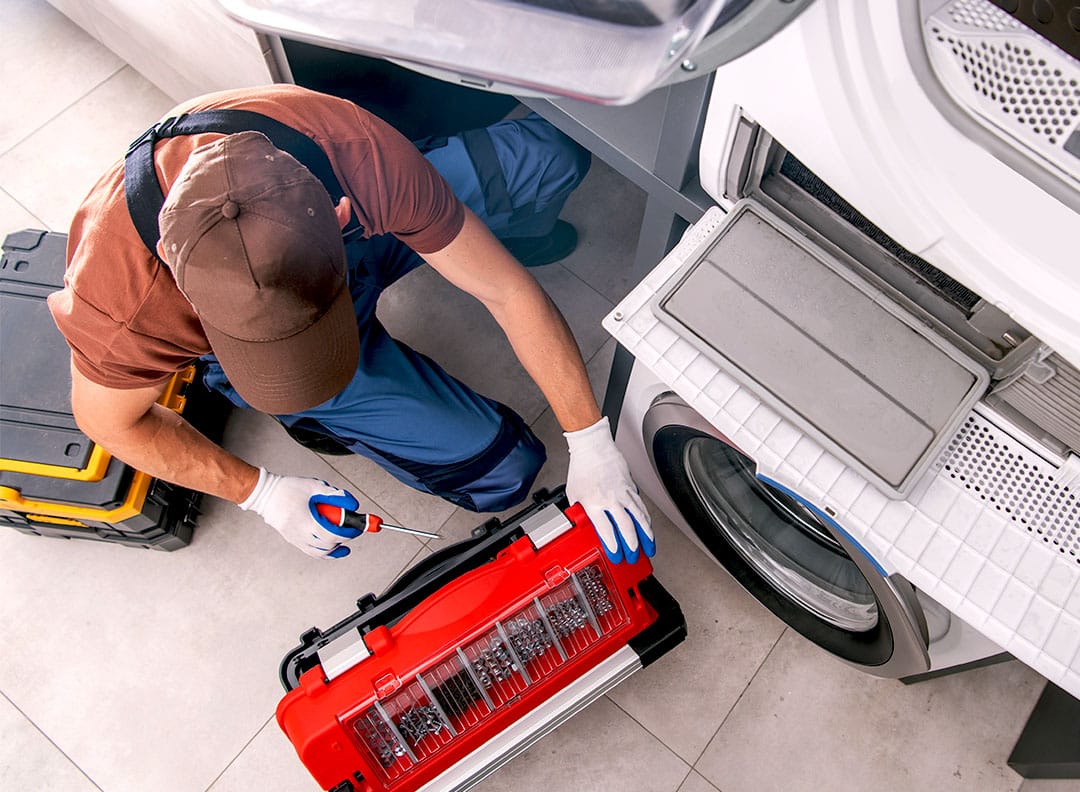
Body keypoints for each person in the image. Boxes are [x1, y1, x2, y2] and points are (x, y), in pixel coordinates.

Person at [48, 83, 653, 563]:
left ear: (340, 214)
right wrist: (259, 493)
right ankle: (312, 410)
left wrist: (591, 441)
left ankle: (490, 236)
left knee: (549, 156)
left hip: (357, 239)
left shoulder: (354, 155)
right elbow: (111, 425)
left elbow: (505, 290)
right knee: (504, 470)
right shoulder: (122, 307)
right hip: (290, 274)